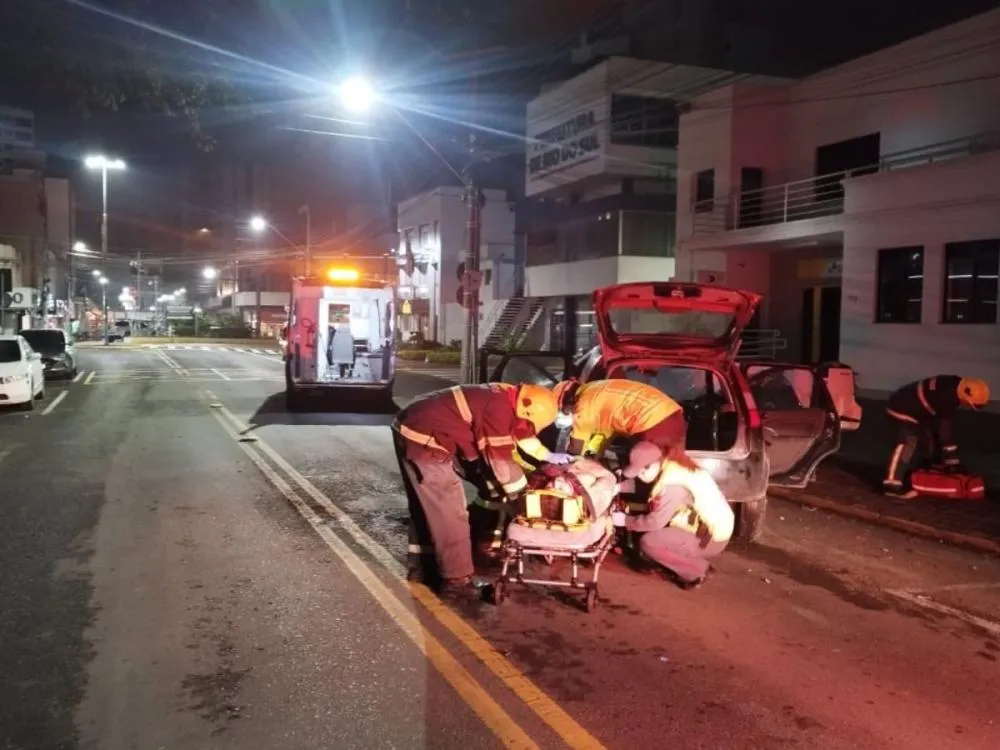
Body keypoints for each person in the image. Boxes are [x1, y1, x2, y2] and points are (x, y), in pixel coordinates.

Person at [391, 382, 560, 599]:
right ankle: (457, 581)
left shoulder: (508, 397)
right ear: (527, 411)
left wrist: (546, 456)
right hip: (425, 439)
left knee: (427, 507)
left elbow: (521, 435)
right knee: (449, 511)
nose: (527, 428)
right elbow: (500, 463)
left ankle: (422, 567)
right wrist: (526, 494)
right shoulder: (498, 410)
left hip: (414, 426)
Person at [619, 442, 733, 589]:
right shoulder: (674, 466)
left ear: (654, 464)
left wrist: (625, 521)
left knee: (649, 542)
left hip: (710, 537)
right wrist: (620, 487)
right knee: (654, 530)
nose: (640, 477)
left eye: (642, 472)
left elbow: (655, 522)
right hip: (713, 526)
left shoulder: (672, 484)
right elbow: (648, 490)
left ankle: (697, 570)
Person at [883, 375, 989, 498]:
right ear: (966, 396)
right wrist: (952, 459)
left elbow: (938, 420)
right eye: (971, 404)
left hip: (919, 411)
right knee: (908, 442)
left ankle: (920, 478)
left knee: (930, 444)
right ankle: (892, 485)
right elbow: (944, 431)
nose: (969, 407)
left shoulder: (955, 384)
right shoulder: (948, 397)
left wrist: (949, 458)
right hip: (901, 408)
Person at [553, 378, 685, 457]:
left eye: (564, 410)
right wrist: (594, 455)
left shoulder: (584, 404)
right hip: (673, 415)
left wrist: (570, 461)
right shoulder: (594, 389)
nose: (568, 414)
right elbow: (603, 434)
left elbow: (577, 443)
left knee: (646, 466)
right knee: (670, 464)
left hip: (651, 422)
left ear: (569, 400)